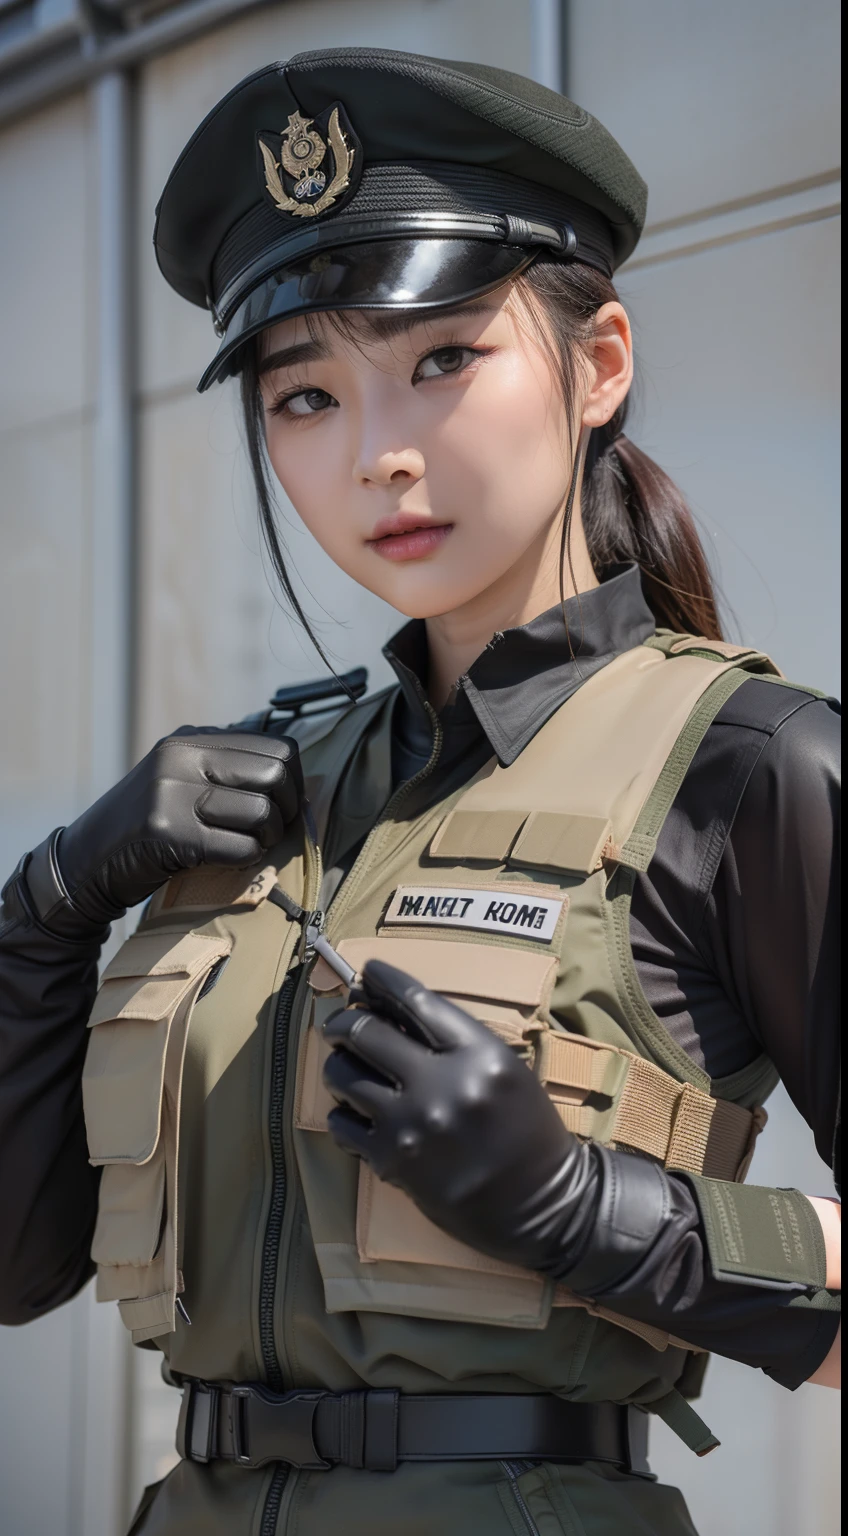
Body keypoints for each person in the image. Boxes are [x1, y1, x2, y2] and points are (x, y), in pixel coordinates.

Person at [0, 47, 840, 1536]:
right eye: (304, 394)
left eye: (445, 359)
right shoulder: (261, 798)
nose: (378, 456)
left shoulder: (751, 768)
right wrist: (44, 917)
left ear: (598, 365)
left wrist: (586, 1212)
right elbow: (17, 1266)